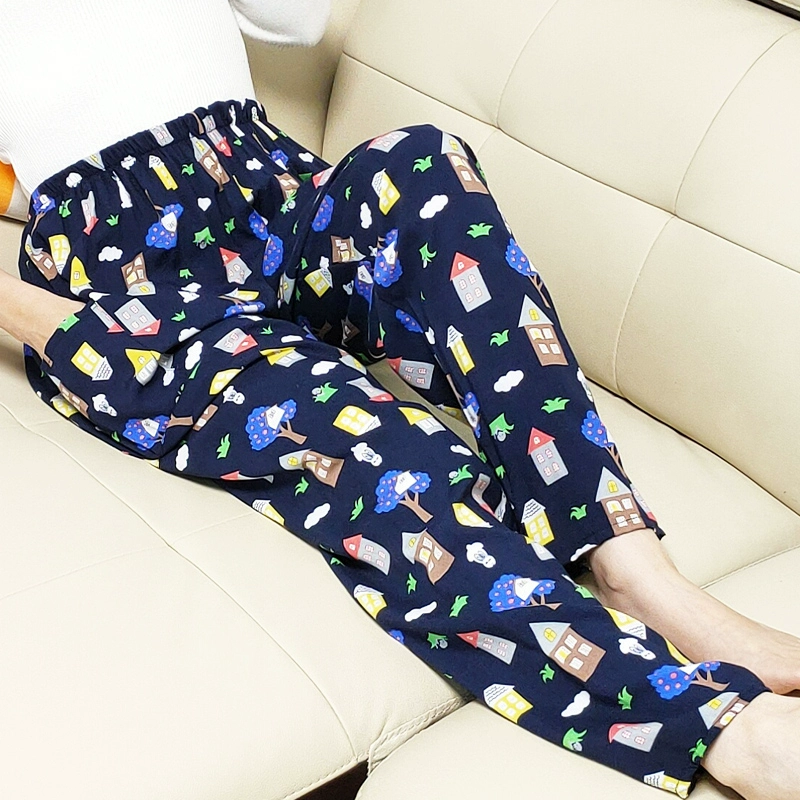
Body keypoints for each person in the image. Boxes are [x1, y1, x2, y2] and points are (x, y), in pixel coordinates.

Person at [1, 2, 799, 798]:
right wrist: (74, 330)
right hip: (134, 292)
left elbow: (298, 22)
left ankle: (636, 571)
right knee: (382, 452)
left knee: (421, 160)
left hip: (275, 194)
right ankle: (720, 728)